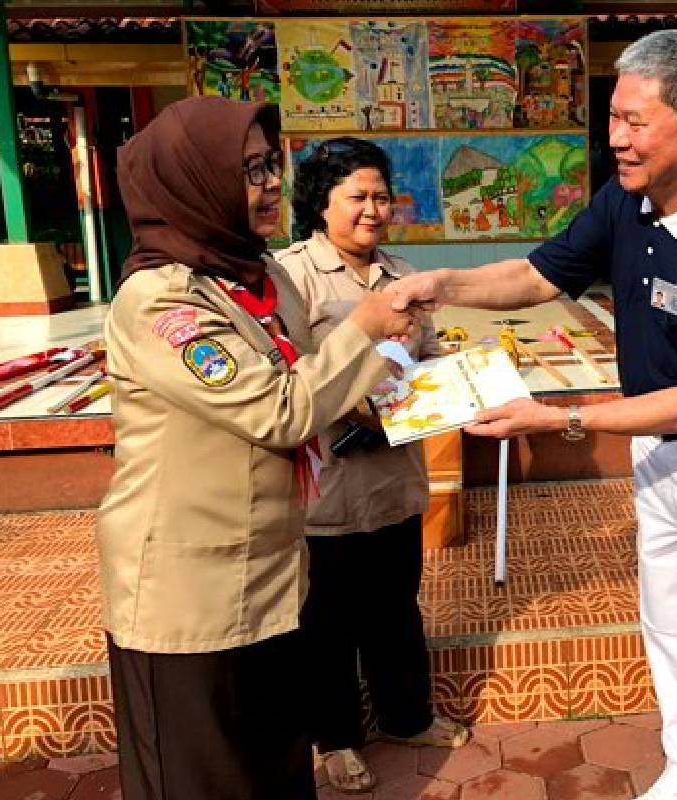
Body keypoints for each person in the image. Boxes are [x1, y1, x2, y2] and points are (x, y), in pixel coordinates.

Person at [389, 29, 677, 800]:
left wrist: (557, 421)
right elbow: (537, 275)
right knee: (673, 623)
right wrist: (437, 283)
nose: (615, 138)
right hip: (655, 449)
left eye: (635, 122)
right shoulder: (625, 202)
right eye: (613, 117)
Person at [98, 96, 415, 800]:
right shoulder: (160, 303)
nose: (270, 183)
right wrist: (366, 326)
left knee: (274, 770)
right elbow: (280, 409)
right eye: (247, 170)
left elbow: (310, 380)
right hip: (190, 598)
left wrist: (419, 389)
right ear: (193, 183)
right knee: (205, 781)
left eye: (270, 164)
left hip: (272, 577)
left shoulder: (255, 284)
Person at [275, 137, 468, 794]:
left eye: (381, 196)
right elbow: (288, 377)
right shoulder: (289, 276)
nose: (372, 209)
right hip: (325, 483)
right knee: (324, 619)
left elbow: (430, 358)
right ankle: (335, 736)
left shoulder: (404, 276)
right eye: (356, 196)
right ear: (319, 202)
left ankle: (407, 717)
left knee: (394, 606)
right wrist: (355, 404)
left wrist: (463, 384)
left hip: (393, 478)